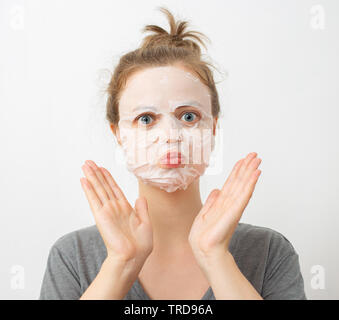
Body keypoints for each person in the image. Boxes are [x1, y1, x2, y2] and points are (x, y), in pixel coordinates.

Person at [39, 7, 307, 300]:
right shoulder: (72, 257)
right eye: (146, 119)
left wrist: (215, 257)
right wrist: (121, 263)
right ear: (118, 133)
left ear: (213, 127)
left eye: (189, 116)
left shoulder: (269, 251)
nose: (171, 136)